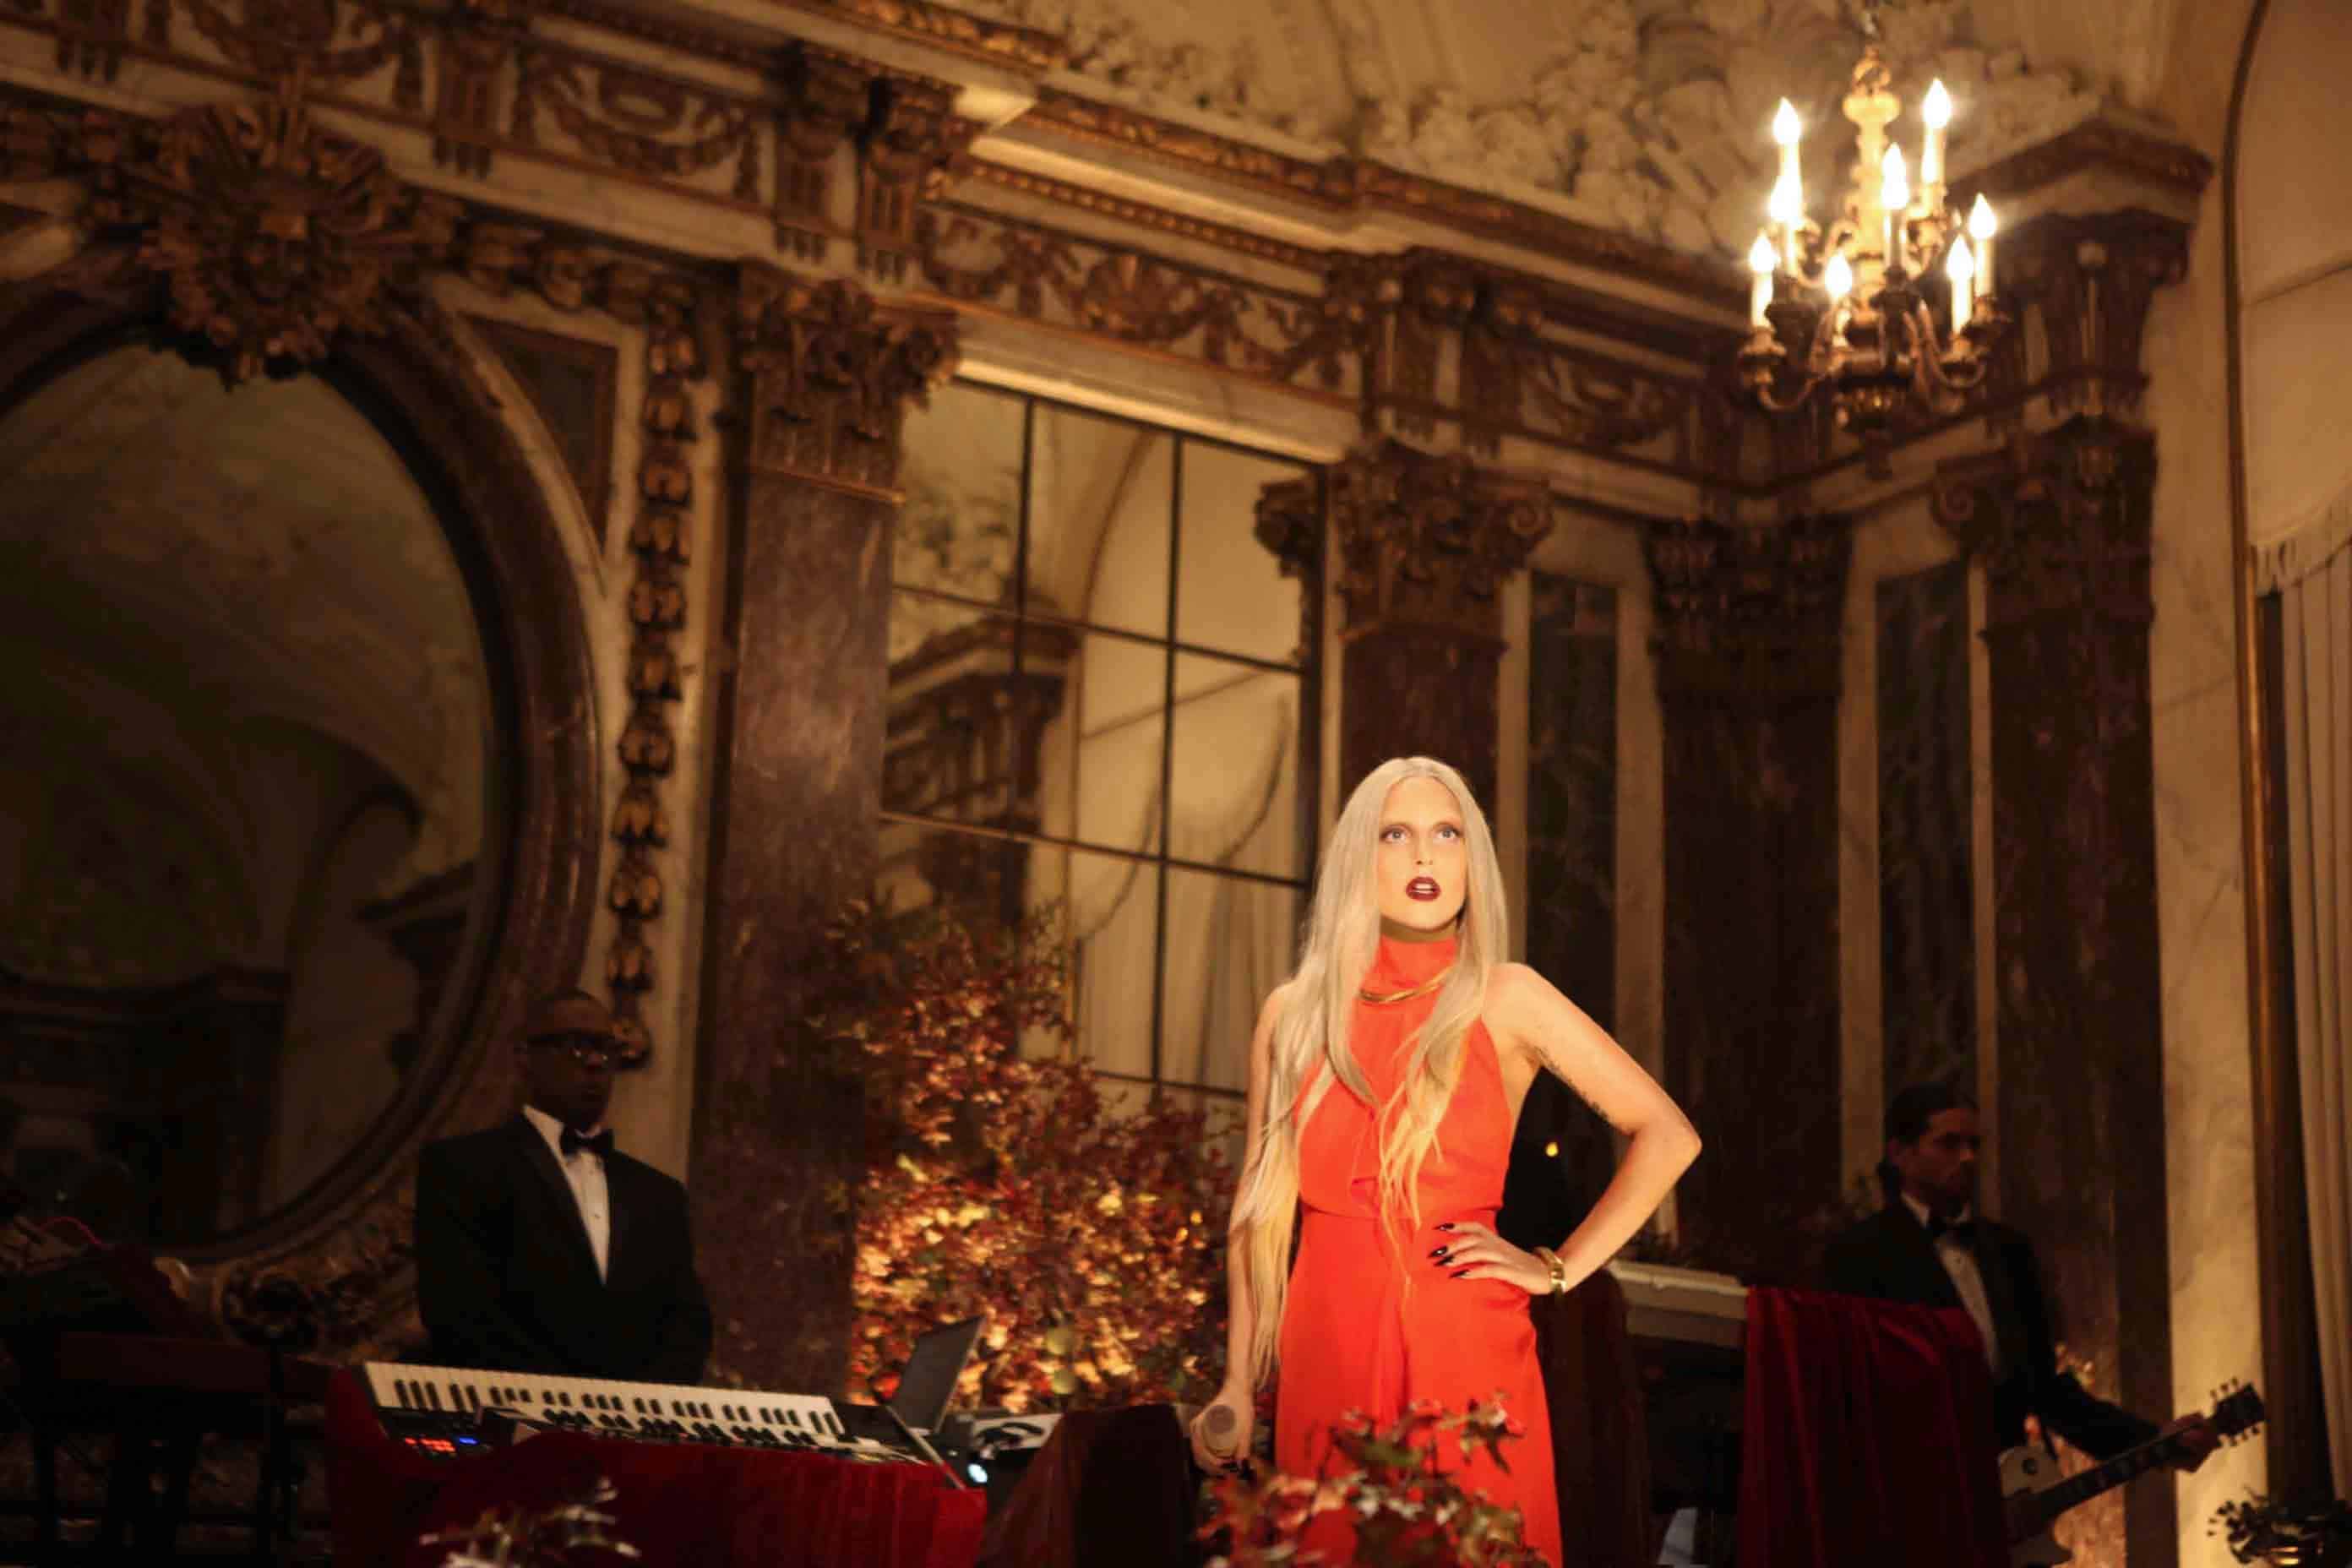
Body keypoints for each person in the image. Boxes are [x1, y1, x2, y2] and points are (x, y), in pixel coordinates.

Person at [1186, 758, 1702, 1565]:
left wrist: (1558, 1269)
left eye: (1447, 834)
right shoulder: (1293, 1015)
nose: (1425, 855)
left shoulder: (1508, 997)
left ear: (1472, 860)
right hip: (1326, 1344)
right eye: (1396, 834)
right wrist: (1236, 1384)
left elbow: (1668, 1134)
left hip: (1466, 1345)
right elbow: (1258, 1215)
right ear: (1359, 857)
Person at [1822, 1081, 2214, 1467]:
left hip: (2010, 1485)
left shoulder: (2008, 1251)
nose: (1968, 1158)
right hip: (1912, 1485)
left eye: (1974, 1145)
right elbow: (1849, 1397)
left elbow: (2046, 1391)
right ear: (1899, 1154)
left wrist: (2152, 1443)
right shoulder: (1860, 1254)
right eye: (1949, 1143)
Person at [414, 989, 712, 1383]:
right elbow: (458, 1310)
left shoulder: (660, 1194)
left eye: (606, 1049)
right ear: (525, 1058)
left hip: (635, 1414)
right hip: (512, 1405)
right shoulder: (464, 1167)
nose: (595, 1062)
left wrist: (635, 1402)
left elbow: (687, 1325)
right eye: (576, 1046)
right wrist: (565, 1401)